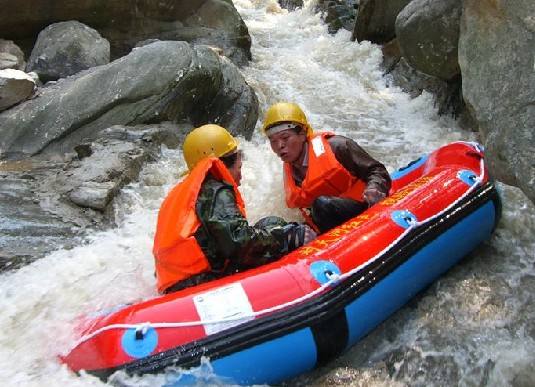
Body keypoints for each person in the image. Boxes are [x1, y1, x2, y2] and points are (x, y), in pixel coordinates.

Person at [153, 124, 316, 294]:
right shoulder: (215, 191)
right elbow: (239, 244)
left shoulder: (182, 193)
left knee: (268, 224)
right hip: (201, 283)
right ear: (224, 165)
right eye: (239, 168)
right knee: (276, 227)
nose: (241, 176)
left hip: (176, 284)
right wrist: (287, 237)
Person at [262, 102, 391, 233]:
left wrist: (375, 187)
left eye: (285, 137)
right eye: (273, 141)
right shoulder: (291, 173)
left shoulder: (337, 146)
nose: (279, 146)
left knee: (322, 204)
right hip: (330, 225)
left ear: (302, 133)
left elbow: (377, 170)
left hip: (364, 208)